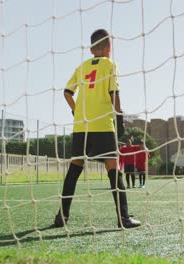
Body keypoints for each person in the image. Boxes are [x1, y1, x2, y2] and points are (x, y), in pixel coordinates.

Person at [54, 29, 141, 229]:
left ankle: (61, 216)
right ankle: (124, 218)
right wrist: (120, 118)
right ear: (109, 47)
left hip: (81, 125)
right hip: (102, 124)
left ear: (92, 49)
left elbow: (67, 93)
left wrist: (76, 111)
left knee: (75, 168)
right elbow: (114, 93)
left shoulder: (82, 66)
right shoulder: (110, 64)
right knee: (113, 168)